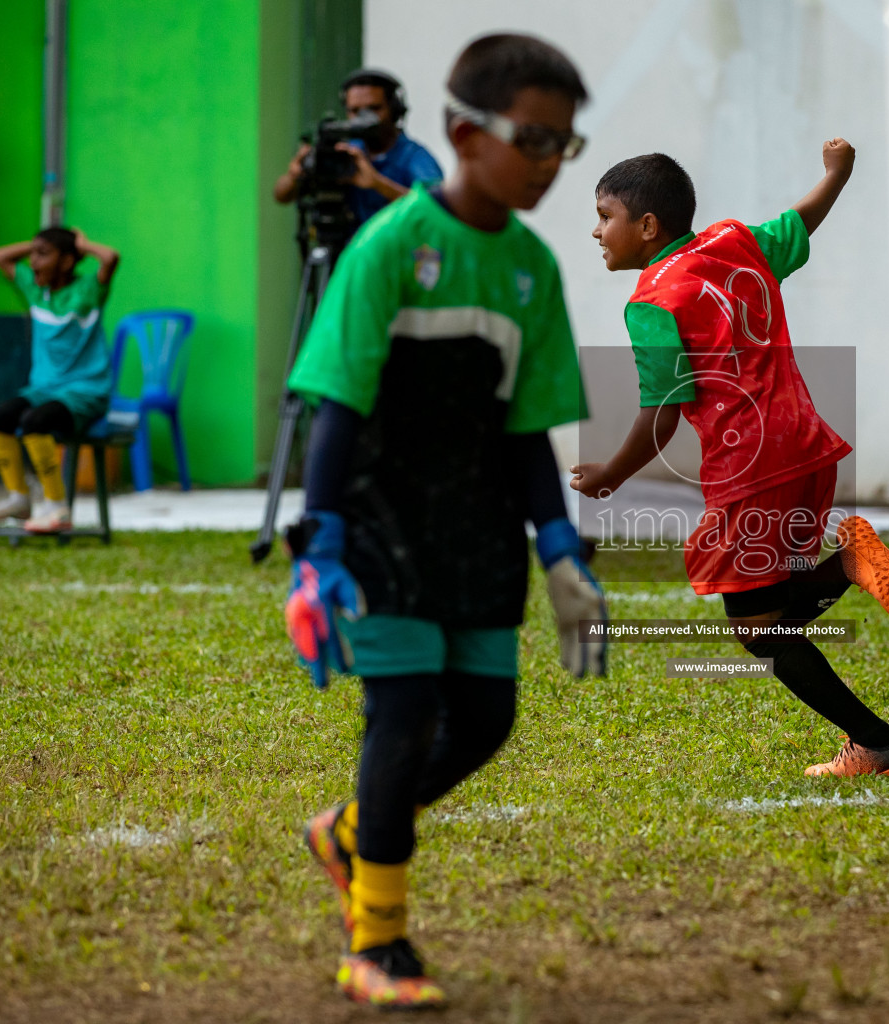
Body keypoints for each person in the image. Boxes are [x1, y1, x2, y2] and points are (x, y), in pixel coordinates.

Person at [282, 34, 603, 1009]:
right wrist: (321, 543)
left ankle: (349, 831)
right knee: (405, 711)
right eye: (534, 138)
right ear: (465, 132)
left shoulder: (534, 273)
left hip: (479, 526)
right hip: (380, 522)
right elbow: (337, 406)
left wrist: (559, 548)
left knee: (488, 718)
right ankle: (375, 941)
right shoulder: (387, 248)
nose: (550, 161)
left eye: (565, 144)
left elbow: (524, 432)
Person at [574, 141, 889, 778]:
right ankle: (853, 577)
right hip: (807, 446)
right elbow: (798, 222)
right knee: (770, 607)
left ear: (647, 228)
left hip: (749, 467)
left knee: (759, 630)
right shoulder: (733, 242)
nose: (596, 230)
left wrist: (610, 473)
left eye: (604, 215)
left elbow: (662, 413)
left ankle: (880, 742)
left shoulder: (651, 302)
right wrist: (835, 176)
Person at [0, 227, 119, 533]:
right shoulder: (35, 288)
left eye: (43, 255)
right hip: (43, 389)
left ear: (68, 262)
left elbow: (110, 258)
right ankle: (19, 498)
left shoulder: (88, 291)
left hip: (84, 393)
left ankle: (57, 507)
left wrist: (81, 244)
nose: (33, 262)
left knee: (35, 421)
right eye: (33, 254)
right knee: (0, 416)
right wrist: (42, 245)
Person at [273, 69, 443, 227]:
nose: (363, 118)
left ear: (395, 111)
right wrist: (295, 174)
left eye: (374, 109)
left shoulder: (414, 157)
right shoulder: (344, 150)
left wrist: (377, 183)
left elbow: (438, 210)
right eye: (354, 111)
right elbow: (281, 195)